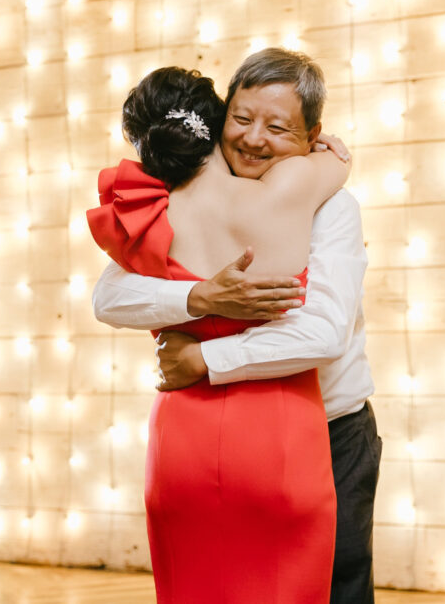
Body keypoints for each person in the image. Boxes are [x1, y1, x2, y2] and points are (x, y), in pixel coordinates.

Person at [92, 48, 379, 604]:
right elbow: (110, 295)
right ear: (219, 118)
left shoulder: (333, 208)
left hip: (330, 428)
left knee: (337, 588)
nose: (253, 139)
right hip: (227, 437)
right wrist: (200, 296)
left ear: (311, 133)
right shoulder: (182, 198)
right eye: (242, 120)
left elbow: (322, 333)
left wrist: (204, 359)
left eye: (278, 128)